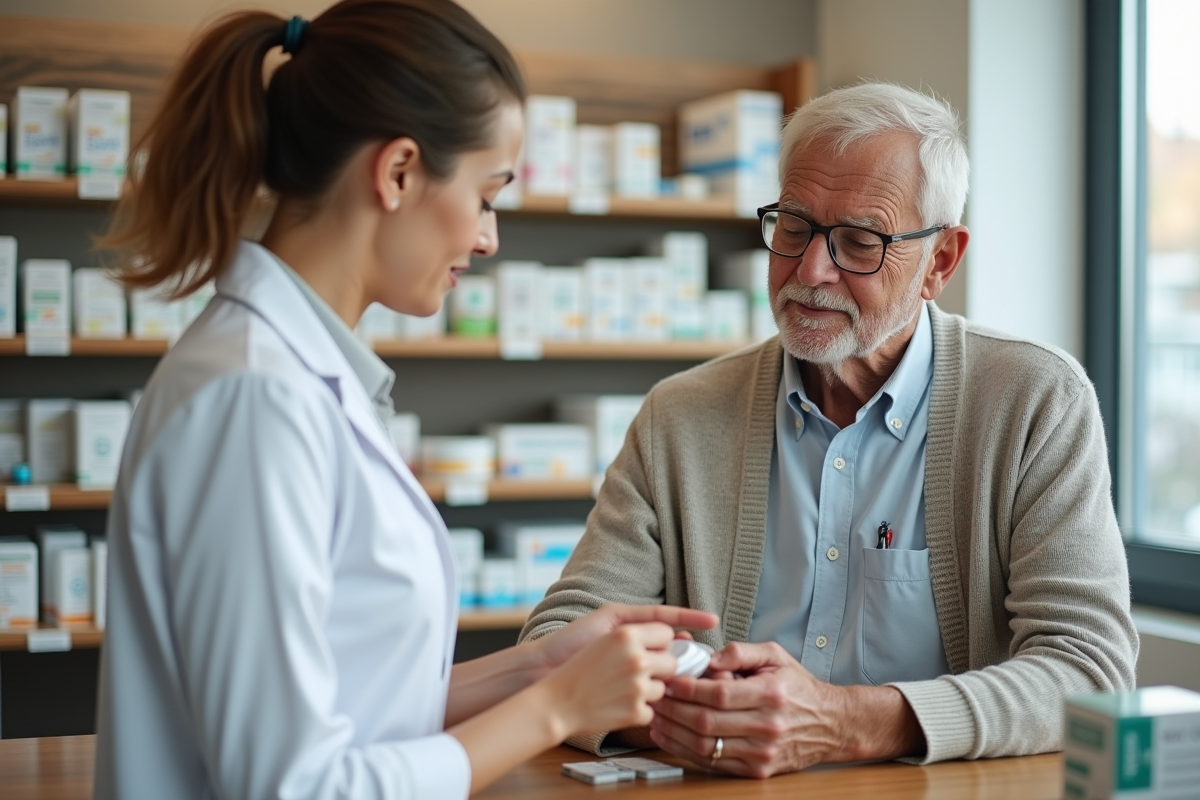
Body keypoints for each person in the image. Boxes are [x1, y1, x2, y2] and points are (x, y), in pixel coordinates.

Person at [93, 2, 718, 798]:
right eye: (487, 195)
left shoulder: (298, 375)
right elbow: (291, 784)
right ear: (396, 173)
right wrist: (556, 709)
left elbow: (345, 708)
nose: (489, 239)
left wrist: (540, 665)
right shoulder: (255, 400)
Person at [520, 82, 1139, 778]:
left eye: (859, 241)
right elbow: (559, 639)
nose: (811, 271)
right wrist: (703, 715)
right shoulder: (680, 415)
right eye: (794, 226)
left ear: (940, 262)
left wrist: (848, 723)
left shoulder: (1033, 401)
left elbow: (1087, 668)